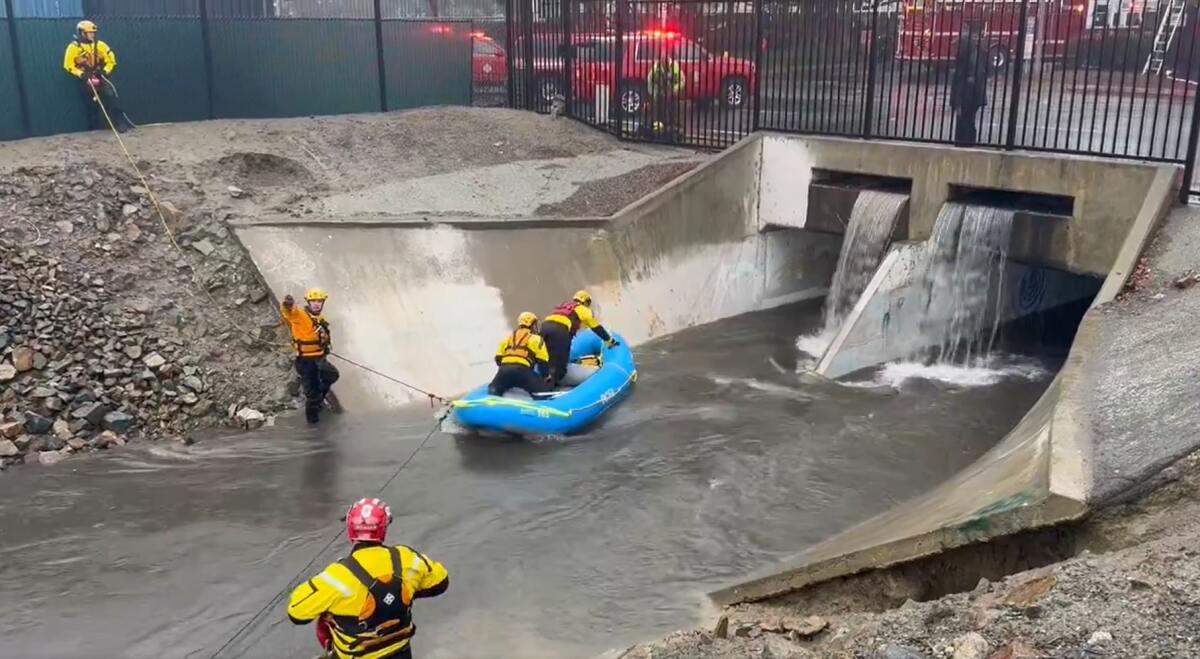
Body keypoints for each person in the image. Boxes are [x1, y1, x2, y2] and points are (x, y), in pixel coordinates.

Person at [288, 498, 449, 659]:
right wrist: (404, 592)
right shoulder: (406, 557)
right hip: (400, 652)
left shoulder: (336, 576)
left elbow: (296, 612)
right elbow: (440, 581)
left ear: (350, 530)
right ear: (383, 529)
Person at [281, 288, 340, 424]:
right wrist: (287, 305)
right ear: (308, 302)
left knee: (332, 375)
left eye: (319, 301)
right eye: (313, 301)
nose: (317, 304)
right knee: (312, 396)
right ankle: (313, 424)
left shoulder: (320, 319)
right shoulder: (300, 315)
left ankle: (318, 400)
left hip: (319, 358)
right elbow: (289, 313)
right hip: (306, 362)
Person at [63, 20, 133, 133]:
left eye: (93, 33)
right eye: (89, 32)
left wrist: (105, 71)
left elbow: (112, 60)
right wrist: (81, 74)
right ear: (82, 33)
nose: (92, 35)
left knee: (112, 98)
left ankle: (121, 123)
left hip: (101, 76)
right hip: (85, 79)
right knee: (91, 104)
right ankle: (94, 128)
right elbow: (68, 65)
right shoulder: (73, 47)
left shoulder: (101, 45)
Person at [541, 290, 617, 388]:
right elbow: (597, 328)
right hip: (560, 331)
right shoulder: (584, 310)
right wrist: (610, 341)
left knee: (547, 356)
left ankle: (542, 377)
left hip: (545, 327)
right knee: (560, 366)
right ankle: (552, 387)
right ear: (586, 302)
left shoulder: (564, 306)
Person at [489, 311, 551, 397]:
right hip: (522, 370)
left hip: (504, 370)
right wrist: (546, 377)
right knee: (544, 393)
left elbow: (498, 359)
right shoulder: (536, 339)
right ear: (532, 325)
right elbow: (543, 363)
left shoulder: (508, 338)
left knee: (493, 391)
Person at [950, 21, 988, 146]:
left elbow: (968, 83)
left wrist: (960, 103)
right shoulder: (971, 56)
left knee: (965, 122)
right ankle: (967, 143)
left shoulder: (970, 59)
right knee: (968, 122)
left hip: (968, 99)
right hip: (970, 98)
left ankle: (964, 144)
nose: (956, 49)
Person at [647, 46, 684, 142]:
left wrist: (675, 89)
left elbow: (682, 80)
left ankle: (673, 133)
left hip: (672, 95)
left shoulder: (675, 66)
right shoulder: (657, 66)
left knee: (674, 114)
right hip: (660, 94)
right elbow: (650, 79)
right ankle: (659, 134)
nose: (663, 59)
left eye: (665, 57)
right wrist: (653, 93)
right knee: (658, 115)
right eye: (662, 57)